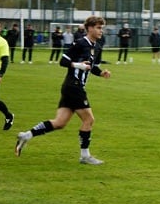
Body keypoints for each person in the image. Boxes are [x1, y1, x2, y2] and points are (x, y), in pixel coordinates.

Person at [15, 15, 111, 165]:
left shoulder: (96, 46)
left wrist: (101, 73)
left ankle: (27, 135)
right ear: (90, 28)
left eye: (102, 28)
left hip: (71, 87)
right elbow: (63, 61)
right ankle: (85, 156)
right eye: (98, 28)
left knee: (59, 123)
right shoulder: (80, 43)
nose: (101, 31)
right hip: (74, 86)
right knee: (89, 119)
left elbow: (91, 66)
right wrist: (78, 65)